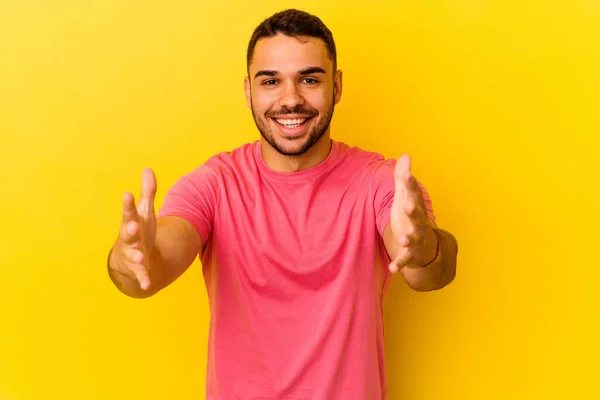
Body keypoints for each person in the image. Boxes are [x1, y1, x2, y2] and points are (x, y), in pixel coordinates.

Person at [107, 8, 458, 400]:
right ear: (248, 91)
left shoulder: (382, 182)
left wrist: (423, 246)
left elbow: (428, 274)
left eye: (309, 79)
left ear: (337, 87)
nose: (291, 100)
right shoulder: (214, 184)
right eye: (271, 81)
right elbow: (148, 272)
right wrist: (130, 258)